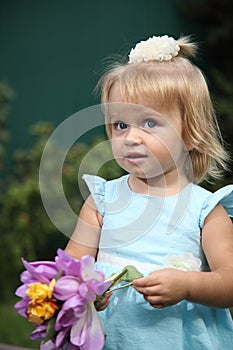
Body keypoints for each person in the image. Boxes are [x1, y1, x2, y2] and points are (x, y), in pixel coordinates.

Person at [65, 35, 233, 349]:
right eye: (120, 125)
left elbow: (229, 282)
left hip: (174, 339)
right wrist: (83, 289)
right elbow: (72, 266)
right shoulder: (102, 201)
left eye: (150, 124)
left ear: (192, 133)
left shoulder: (206, 210)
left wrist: (188, 285)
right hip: (109, 337)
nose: (131, 138)